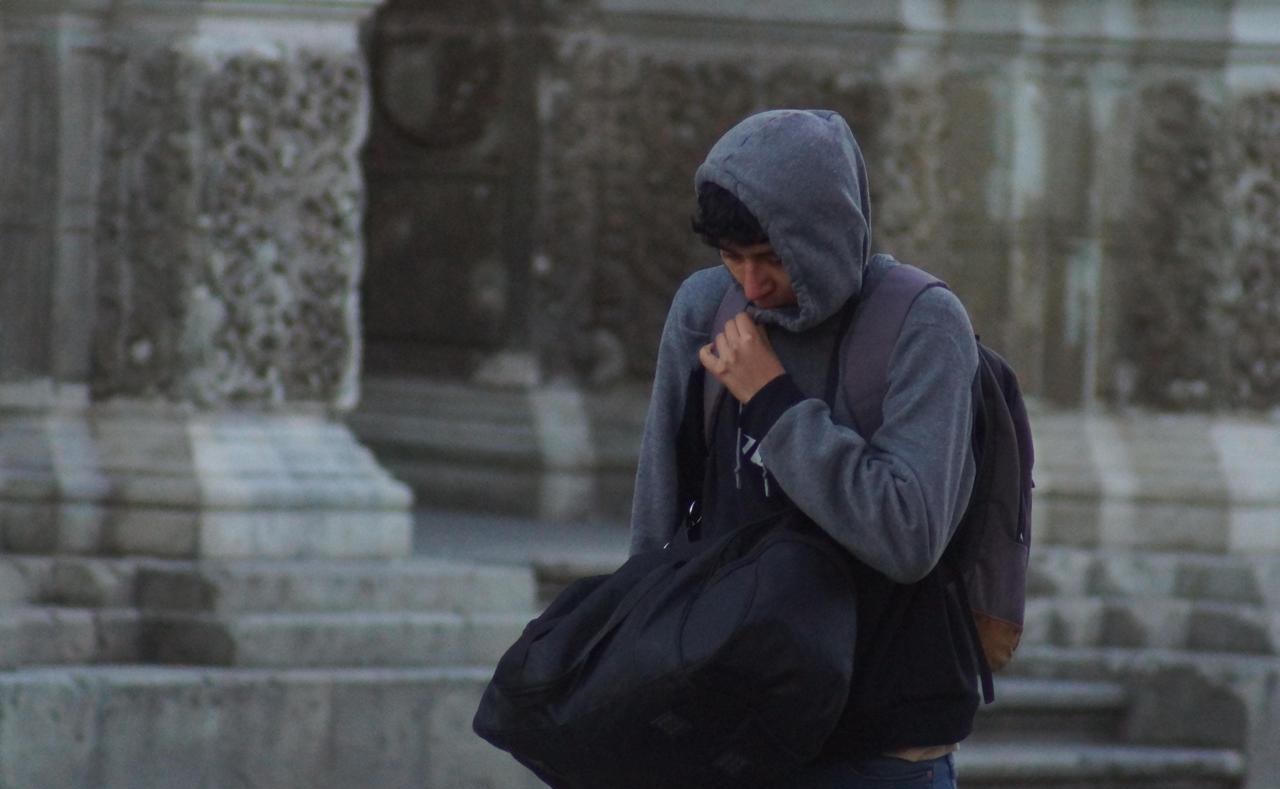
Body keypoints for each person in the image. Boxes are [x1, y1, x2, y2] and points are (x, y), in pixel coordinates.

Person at [628, 109, 982, 788]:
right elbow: (658, 519)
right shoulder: (705, 309)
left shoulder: (922, 322)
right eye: (733, 258)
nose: (752, 285)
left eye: (770, 258)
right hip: (732, 727)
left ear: (825, 234)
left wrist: (772, 402)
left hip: (878, 744)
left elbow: (909, 533)